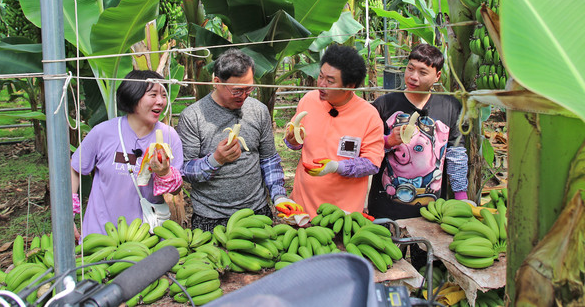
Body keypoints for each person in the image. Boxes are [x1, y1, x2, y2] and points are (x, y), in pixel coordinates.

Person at [176, 49, 290, 231]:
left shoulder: (259, 111)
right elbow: (185, 170)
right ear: (216, 83)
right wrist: (215, 160)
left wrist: (279, 195)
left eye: (249, 88)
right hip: (210, 215)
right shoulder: (193, 116)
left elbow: (269, 159)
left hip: (256, 210)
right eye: (237, 91)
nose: (244, 96)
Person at [71, 70, 183, 241]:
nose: (160, 101)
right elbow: (75, 168)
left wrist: (164, 173)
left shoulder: (170, 136)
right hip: (100, 233)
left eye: (163, 95)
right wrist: (68, 213)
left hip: (147, 235)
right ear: (133, 95)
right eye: (153, 95)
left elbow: (175, 189)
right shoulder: (103, 132)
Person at [367, 43, 469, 221]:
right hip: (386, 207)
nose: (413, 77)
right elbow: (367, 146)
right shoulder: (384, 105)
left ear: (437, 76)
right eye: (410, 69)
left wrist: (461, 197)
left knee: (426, 249)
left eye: (422, 72)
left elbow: (456, 154)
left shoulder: (450, 107)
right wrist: (388, 141)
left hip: (432, 210)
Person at [284, 45, 385, 217]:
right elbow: (294, 142)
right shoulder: (309, 101)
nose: (321, 84)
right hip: (302, 207)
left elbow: (372, 163)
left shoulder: (369, 116)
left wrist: (336, 167)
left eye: (330, 81)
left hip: (342, 214)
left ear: (350, 86)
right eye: (321, 76)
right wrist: (292, 141)